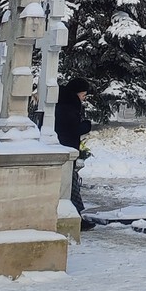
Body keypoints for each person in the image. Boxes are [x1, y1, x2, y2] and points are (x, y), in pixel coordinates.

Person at [55, 76, 94, 227]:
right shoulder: (69, 107)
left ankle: (77, 215)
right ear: (77, 93)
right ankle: (75, 217)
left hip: (64, 149)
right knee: (70, 186)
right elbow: (72, 129)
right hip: (66, 150)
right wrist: (86, 125)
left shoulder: (63, 103)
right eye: (83, 95)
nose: (84, 99)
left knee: (71, 184)